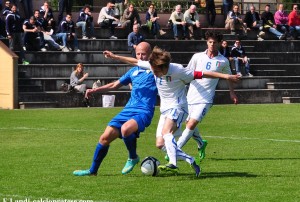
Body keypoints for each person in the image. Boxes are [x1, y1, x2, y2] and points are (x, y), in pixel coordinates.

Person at [102, 44, 240, 177]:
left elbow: (203, 73)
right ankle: (190, 160)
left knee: (166, 132)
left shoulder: (179, 71)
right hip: (165, 110)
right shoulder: (153, 66)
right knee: (160, 144)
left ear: (164, 67)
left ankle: (172, 163)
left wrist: (227, 76)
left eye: (156, 71)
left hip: (178, 107)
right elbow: (135, 61)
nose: (153, 73)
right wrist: (114, 56)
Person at [73, 42, 158, 176]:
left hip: (144, 111)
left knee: (125, 129)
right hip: (128, 109)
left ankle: (133, 157)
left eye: (144, 54)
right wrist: (95, 89)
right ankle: (92, 171)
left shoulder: (156, 70)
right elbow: (114, 85)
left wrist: (114, 56)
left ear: (150, 55)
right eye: (138, 54)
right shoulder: (133, 72)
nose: (141, 57)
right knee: (104, 138)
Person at [175, 31, 238, 162]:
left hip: (206, 99)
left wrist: (231, 93)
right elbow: (187, 73)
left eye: (215, 42)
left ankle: (176, 149)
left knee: (191, 123)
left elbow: (229, 78)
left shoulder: (223, 61)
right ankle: (201, 144)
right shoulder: (197, 57)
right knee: (189, 123)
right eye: (210, 42)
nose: (212, 44)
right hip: (191, 96)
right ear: (206, 42)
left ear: (219, 43)